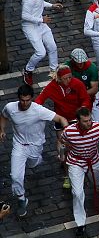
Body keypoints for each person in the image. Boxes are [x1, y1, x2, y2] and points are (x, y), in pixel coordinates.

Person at [0, 84, 68, 217]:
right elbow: (3, 116)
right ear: (18, 98)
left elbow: (61, 119)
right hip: (19, 145)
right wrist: (2, 130)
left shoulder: (39, 110)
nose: (25, 103)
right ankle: (21, 199)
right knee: (15, 176)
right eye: (22, 100)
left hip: (35, 146)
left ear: (32, 99)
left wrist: (66, 132)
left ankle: (37, 159)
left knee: (33, 163)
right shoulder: (10, 107)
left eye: (28, 100)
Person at [62, 106, 99, 238]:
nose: (88, 123)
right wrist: (62, 153)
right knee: (77, 192)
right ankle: (80, 224)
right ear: (78, 121)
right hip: (75, 162)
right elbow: (62, 141)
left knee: (95, 179)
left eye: (89, 120)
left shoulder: (98, 127)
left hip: (93, 160)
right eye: (85, 121)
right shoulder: (69, 131)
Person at [21, 0, 62, 85]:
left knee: (52, 46)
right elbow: (24, 16)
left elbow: (41, 2)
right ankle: (28, 70)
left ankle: (54, 70)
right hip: (30, 27)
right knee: (40, 52)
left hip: (40, 24)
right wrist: (42, 20)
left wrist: (52, 6)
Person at [64, 48, 99, 123]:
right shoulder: (66, 67)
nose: (80, 64)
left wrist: (79, 95)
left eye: (82, 62)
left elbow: (94, 89)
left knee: (98, 121)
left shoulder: (92, 68)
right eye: (78, 62)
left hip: (91, 96)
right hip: (75, 97)